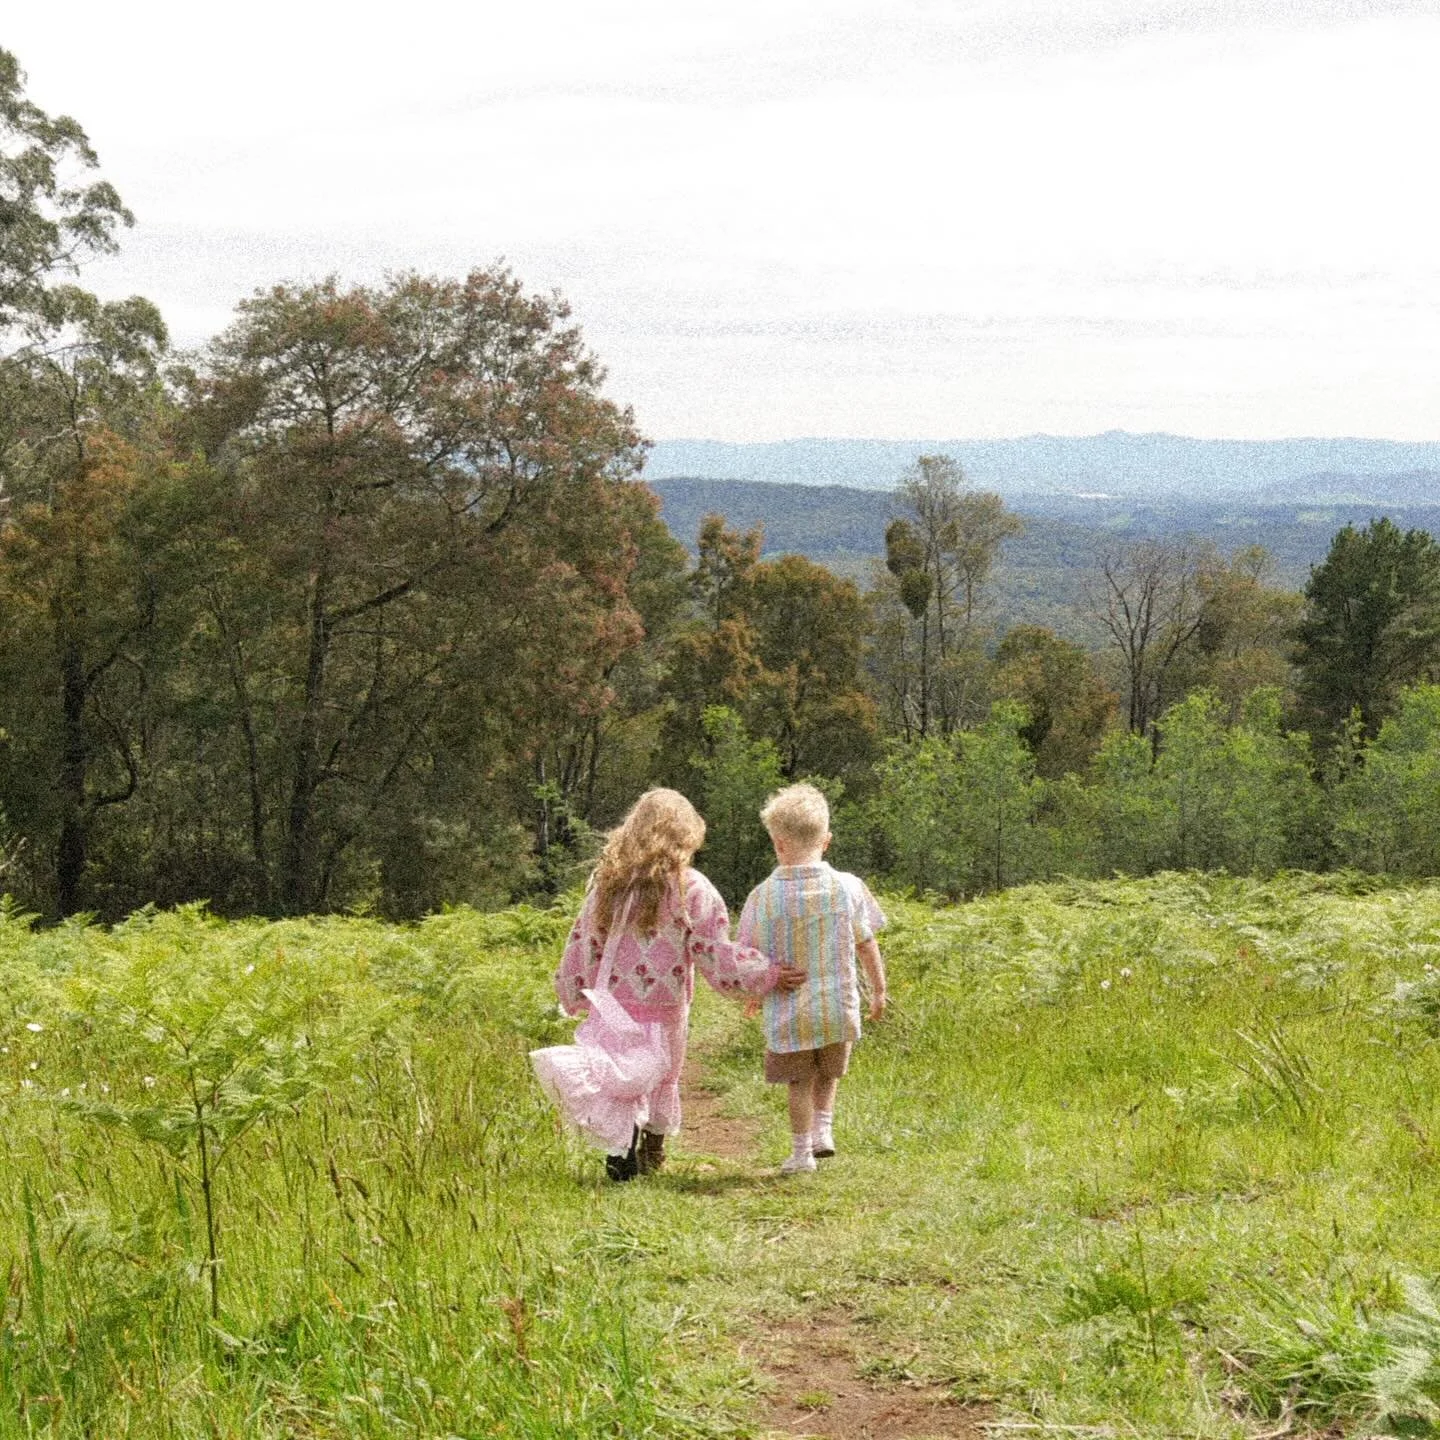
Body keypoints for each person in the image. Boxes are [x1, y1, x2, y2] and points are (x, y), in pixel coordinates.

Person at [555, 788, 803, 1181]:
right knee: (662, 1076)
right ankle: (653, 1154)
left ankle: (621, 1157)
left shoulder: (609, 885)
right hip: (666, 1006)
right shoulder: (693, 888)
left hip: (612, 1004)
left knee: (623, 1077)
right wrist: (765, 975)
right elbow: (715, 951)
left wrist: (572, 990)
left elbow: (585, 941)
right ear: (686, 837)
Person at [739, 784, 888, 1175]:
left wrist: (754, 990)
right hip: (837, 1006)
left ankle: (802, 1153)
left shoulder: (762, 897)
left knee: (799, 1082)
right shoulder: (847, 887)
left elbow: (747, 955)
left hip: (791, 1012)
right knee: (830, 1069)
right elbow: (867, 942)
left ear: (778, 844)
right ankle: (824, 1130)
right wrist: (879, 990)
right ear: (827, 840)